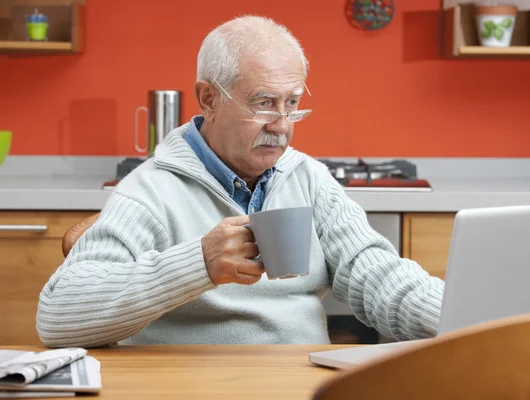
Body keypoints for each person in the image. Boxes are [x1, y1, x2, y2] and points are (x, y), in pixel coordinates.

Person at [36, 15, 444, 348]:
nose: (282, 126)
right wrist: (199, 263)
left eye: (293, 104)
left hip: (298, 383)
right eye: (263, 103)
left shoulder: (309, 178)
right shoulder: (150, 190)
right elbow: (59, 318)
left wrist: (470, 316)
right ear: (209, 98)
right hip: (186, 388)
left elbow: (380, 279)